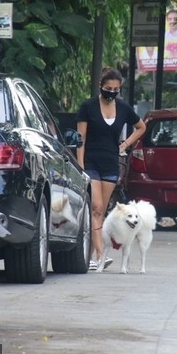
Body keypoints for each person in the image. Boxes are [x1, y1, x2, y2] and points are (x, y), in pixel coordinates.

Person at [76, 67, 146, 270]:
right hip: (90, 162)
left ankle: (89, 254)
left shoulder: (123, 108)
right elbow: (81, 138)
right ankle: (100, 253)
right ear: (101, 86)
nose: (112, 92)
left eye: (116, 89)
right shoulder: (87, 107)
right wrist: (80, 164)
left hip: (110, 164)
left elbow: (141, 127)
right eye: (108, 88)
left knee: (100, 210)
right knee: (96, 207)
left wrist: (125, 144)